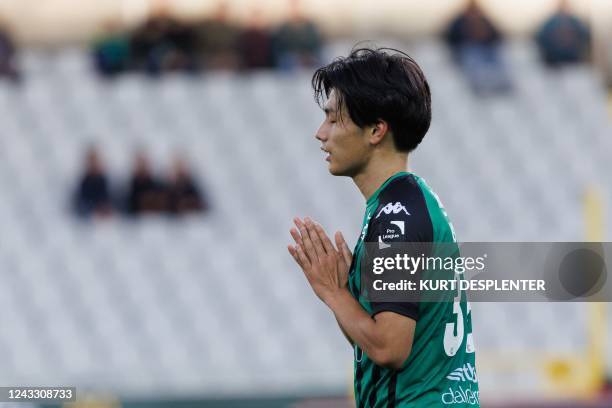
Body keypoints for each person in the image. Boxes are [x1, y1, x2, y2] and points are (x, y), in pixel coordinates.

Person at [287, 48, 478, 406]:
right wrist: (346, 295)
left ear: (376, 130)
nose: (320, 133)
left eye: (333, 119)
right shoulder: (406, 203)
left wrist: (333, 293)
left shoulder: (396, 218)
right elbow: (376, 345)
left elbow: (390, 348)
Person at [444, 0, 511, 94]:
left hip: (487, 49)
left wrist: (485, 35)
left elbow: (498, 35)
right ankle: (480, 85)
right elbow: (450, 37)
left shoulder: (484, 20)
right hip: (468, 50)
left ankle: (502, 83)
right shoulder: (458, 22)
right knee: (471, 56)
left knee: (500, 57)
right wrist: (468, 35)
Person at [535, 0, 590, 67]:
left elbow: (586, 36)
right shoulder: (550, 23)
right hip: (553, 65)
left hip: (573, 63)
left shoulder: (575, 22)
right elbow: (539, 38)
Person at [271, 0, 322, 71]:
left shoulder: (309, 26)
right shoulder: (283, 27)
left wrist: (306, 55)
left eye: (297, 6)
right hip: (290, 61)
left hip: (308, 58)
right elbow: (279, 47)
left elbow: (315, 44)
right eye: (293, 7)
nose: (295, 10)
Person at [73, 147, 113, 218]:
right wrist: (94, 209)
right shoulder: (84, 182)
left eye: (95, 161)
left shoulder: (104, 181)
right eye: (91, 161)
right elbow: (82, 203)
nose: (94, 164)